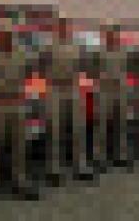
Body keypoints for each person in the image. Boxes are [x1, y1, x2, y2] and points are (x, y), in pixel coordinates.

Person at [0, 26, 39, 201]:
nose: (7, 36)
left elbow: (28, 72)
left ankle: (19, 182)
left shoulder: (22, 53)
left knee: (19, 145)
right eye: (4, 33)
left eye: (10, 34)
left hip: (16, 103)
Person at [40, 21, 92, 183]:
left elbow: (84, 65)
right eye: (60, 25)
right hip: (55, 89)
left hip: (73, 88)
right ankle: (54, 168)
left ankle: (79, 165)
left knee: (78, 128)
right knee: (55, 130)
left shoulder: (77, 46)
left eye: (66, 25)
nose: (64, 28)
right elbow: (40, 66)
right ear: (56, 28)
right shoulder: (48, 47)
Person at [99, 26, 133, 168]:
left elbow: (130, 69)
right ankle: (101, 156)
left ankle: (121, 154)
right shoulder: (99, 53)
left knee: (122, 124)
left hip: (121, 90)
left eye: (114, 32)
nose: (112, 35)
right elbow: (92, 71)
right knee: (103, 125)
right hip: (106, 90)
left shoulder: (124, 52)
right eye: (109, 32)